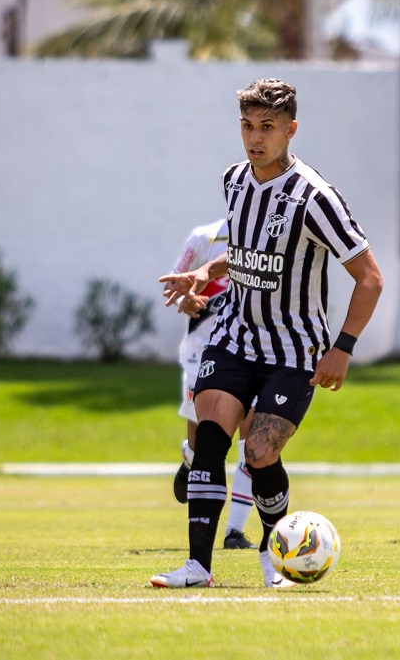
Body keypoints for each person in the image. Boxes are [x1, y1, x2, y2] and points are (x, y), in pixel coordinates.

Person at [150, 78, 384, 589]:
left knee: (259, 453)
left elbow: (369, 278)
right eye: (247, 126)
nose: (255, 138)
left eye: (268, 128)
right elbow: (246, 252)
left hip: (294, 348)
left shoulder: (315, 197)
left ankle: (271, 549)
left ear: (290, 130)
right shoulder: (235, 180)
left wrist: (342, 348)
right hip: (234, 336)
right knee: (209, 441)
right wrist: (203, 275)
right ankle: (198, 566)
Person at [167, 218, 256, 551]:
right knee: (206, 448)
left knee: (253, 446)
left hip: (253, 353)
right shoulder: (204, 237)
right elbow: (175, 287)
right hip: (203, 354)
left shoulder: (269, 236)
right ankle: (190, 459)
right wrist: (183, 301)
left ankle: (234, 531)